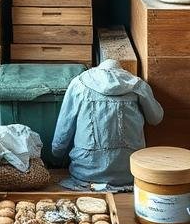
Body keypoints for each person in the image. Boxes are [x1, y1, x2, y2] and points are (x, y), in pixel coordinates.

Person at [51, 58, 164, 186]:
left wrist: (57, 154)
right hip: (129, 173)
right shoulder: (137, 85)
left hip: (85, 173)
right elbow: (156, 118)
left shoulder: (79, 84)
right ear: (121, 70)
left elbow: (64, 126)